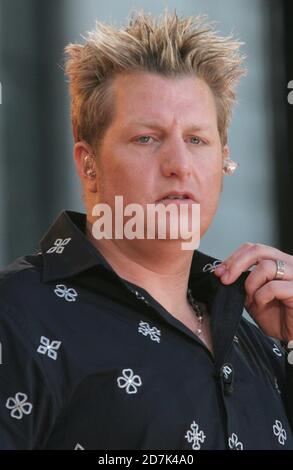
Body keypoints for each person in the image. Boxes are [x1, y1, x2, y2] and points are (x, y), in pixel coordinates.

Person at [0, 9, 293, 450]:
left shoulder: (263, 339)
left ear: (224, 161)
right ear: (89, 164)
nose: (179, 166)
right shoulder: (15, 315)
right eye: (147, 138)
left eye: (197, 140)